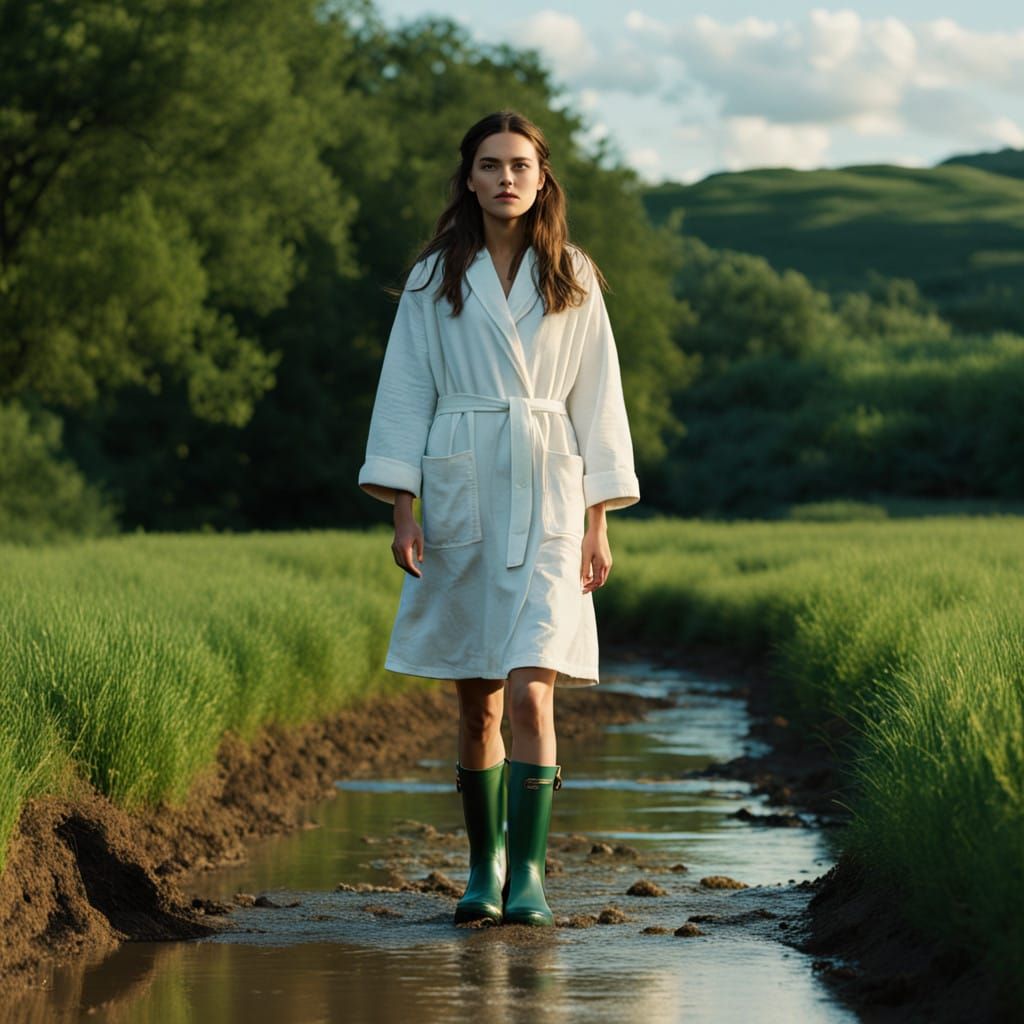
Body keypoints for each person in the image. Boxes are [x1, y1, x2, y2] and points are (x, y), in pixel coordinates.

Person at [357, 110, 640, 927]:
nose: (506, 178)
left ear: (542, 178)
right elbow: (405, 393)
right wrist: (404, 509)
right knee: (477, 699)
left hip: (551, 494)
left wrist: (598, 521)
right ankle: (484, 867)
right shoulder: (434, 278)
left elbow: (599, 399)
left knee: (530, 696)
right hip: (464, 490)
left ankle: (530, 877)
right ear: (470, 178)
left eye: (520, 165)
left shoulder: (573, 274)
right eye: (490, 164)